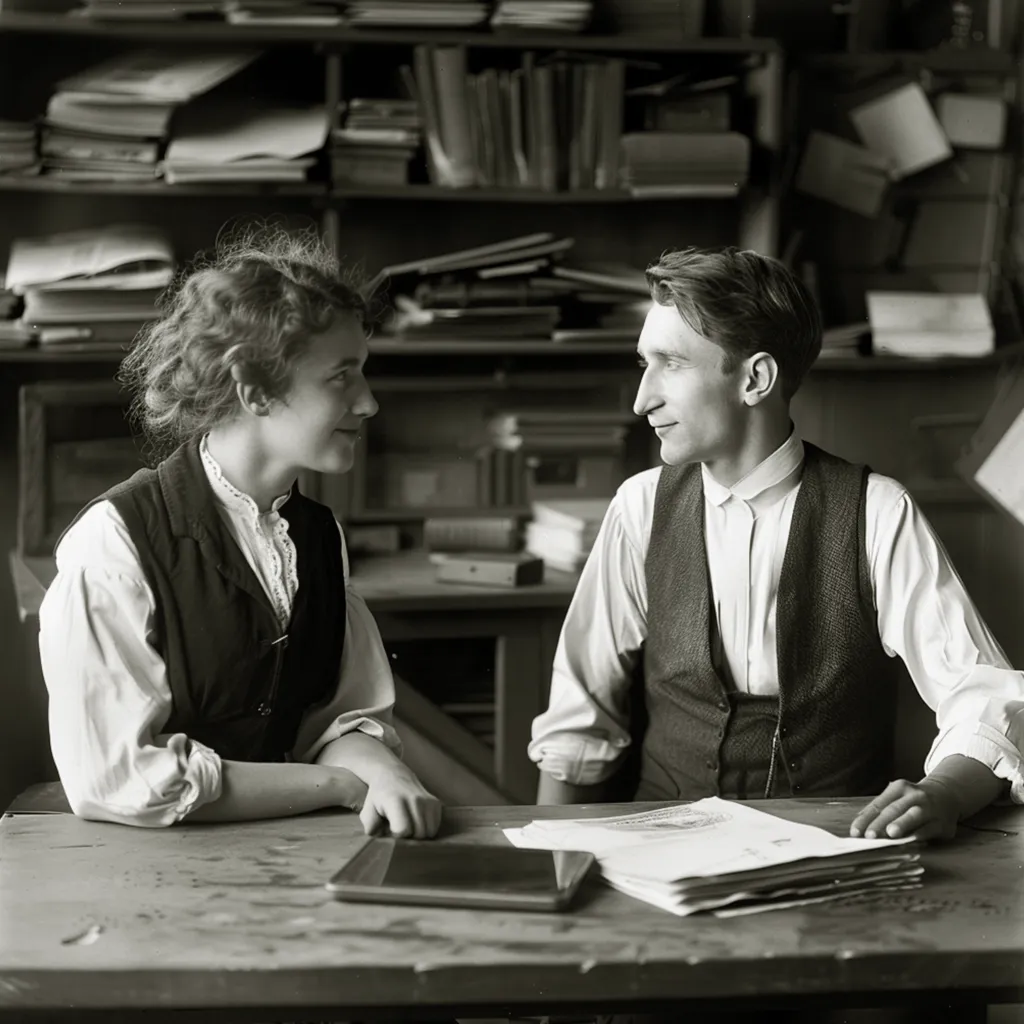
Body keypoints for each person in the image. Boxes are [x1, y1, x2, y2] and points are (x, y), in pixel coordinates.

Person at [530, 245, 1024, 844]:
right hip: (663, 850)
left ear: (756, 378)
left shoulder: (876, 511)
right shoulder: (639, 507)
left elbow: (984, 696)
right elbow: (577, 724)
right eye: (643, 363)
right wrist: (550, 867)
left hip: (837, 854)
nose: (643, 399)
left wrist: (942, 793)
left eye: (671, 364)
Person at [38, 223, 442, 839]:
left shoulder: (315, 534)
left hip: (285, 853)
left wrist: (380, 771)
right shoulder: (115, 542)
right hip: (142, 873)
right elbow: (119, 779)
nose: (369, 403)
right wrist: (336, 784)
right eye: (342, 376)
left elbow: (330, 724)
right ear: (255, 390)